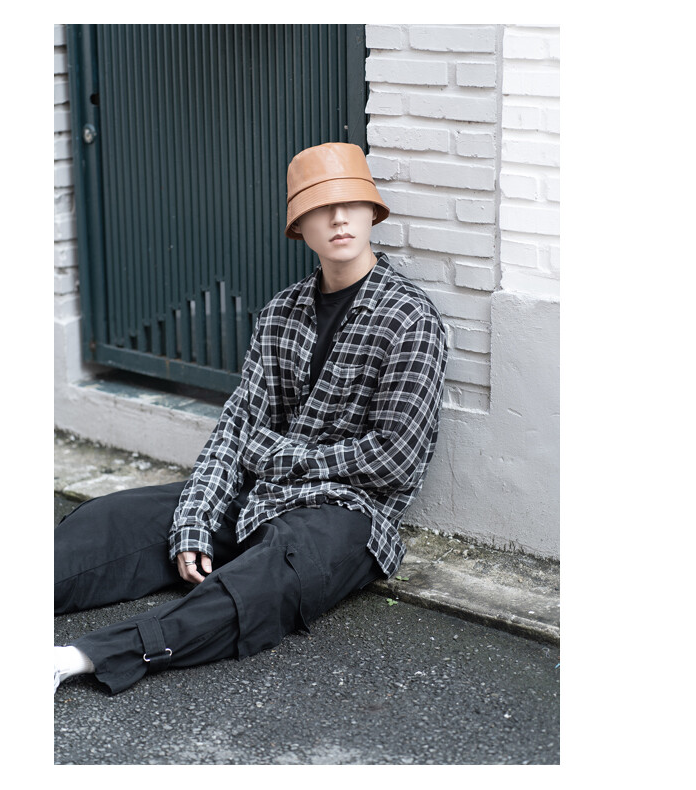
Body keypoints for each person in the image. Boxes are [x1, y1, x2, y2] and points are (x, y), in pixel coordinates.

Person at [54, 142, 448, 695]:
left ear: (372, 213)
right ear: (300, 227)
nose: (338, 218)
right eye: (320, 207)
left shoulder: (409, 318)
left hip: (346, 513)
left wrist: (277, 456)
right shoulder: (280, 312)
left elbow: (394, 458)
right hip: (258, 492)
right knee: (113, 518)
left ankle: (83, 657)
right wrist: (195, 517)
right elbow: (237, 429)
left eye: (351, 204)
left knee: (257, 586)